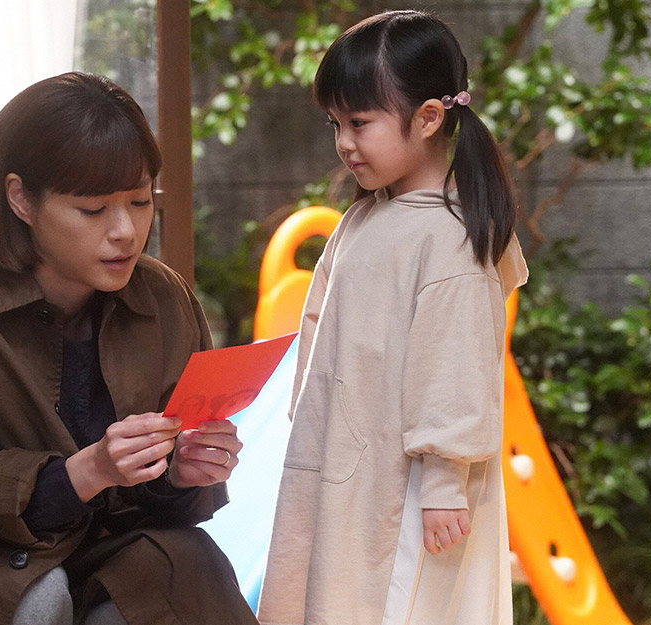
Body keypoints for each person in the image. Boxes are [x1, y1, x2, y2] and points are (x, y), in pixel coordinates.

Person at [0, 72, 256, 625]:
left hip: (107, 558)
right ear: (20, 199)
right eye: (93, 210)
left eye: (139, 201)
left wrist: (178, 474)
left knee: (184, 568)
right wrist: (90, 470)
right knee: (35, 596)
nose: (126, 231)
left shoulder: (164, 297)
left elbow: (163, 506)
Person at [258, 10, 529, 625]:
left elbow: (454, 366)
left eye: (359, 122)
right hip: (348, 467)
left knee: (389, 605)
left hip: (407, 489)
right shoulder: (367, 216)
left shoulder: (449, 236)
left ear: (428, 118)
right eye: (335, 124)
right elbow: (318, 326)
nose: (343, 142)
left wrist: (444, 485)